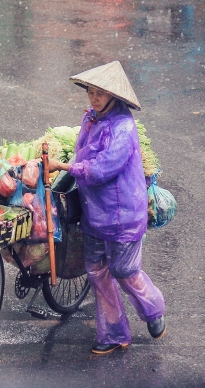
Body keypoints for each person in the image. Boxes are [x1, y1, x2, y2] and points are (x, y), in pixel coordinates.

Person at [48, 61, 166, 355]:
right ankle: (114, 334)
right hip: (94, 212)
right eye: (91, 91)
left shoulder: (123, 128)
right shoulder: (91, 118)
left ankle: (153, 310)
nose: (94, 97)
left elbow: (101, 169)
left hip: (123, 214)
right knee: (97, 272)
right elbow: (82, 153)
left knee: (124, 270)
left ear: (114, 96)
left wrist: (64, 165)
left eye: (100, 93)